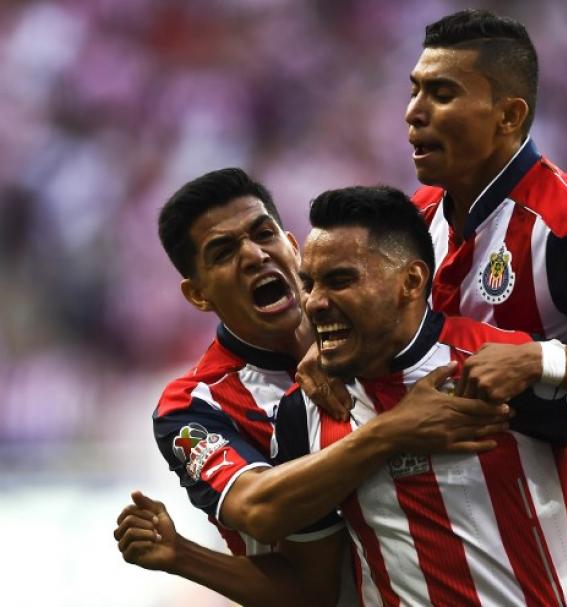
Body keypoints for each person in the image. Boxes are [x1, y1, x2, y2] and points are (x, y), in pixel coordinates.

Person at [115, 168, 509, 606]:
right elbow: (261, 514)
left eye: (262, 233)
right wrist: (394, 431)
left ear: (291, 244)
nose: (253, 255)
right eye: (223, 252)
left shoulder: (388, 321)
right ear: (198, 295)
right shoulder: (195, 404)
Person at [406, 9, 567, 605]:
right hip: (476, 514)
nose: (414, 112)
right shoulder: (414, 221)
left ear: (509, 116)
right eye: (415, 90)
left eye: (442, 94)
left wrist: (537, 361)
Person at [277, 185, 567, 605]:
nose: (314, 303)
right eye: (308, 284)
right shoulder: (304, 409)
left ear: (412, 281)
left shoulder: (500, 367)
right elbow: (312, 578)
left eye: (340, 280)